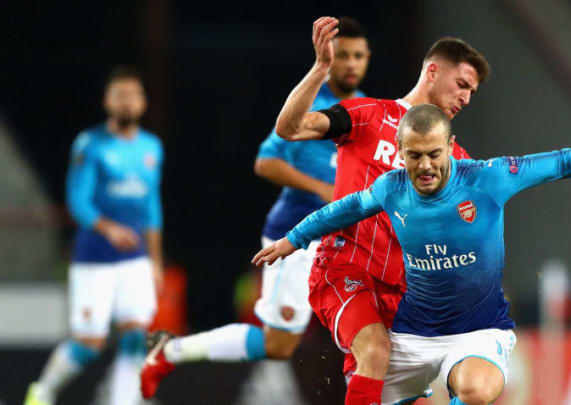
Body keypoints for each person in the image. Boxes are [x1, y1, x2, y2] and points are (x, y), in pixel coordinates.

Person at [253, 104, 571, 404]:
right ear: (400, 154)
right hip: (413, 335)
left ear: (451, 146)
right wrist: (295, 238)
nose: (425, 166)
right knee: (362, 384)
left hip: (478, 332)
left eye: (435, 154)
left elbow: (565, 161)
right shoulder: (391, 188)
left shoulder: (489, 179)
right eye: (414, 156)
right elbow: (345, 209)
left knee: (477, 388)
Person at [139, 17, 371, 399]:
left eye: (358, 55)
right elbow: (265, 162)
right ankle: (174, 350)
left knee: (375, 326)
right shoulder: (309, 107)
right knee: (279, 345)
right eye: (342, 54)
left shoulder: (368, 110)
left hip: (343, 239)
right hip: (294, 233)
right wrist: (321, 188)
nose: (350, 63)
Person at [269, 17, 486, 405]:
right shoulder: (369, 115)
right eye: (462, 85)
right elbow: (290, 127)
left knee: (404, 394)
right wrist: (320, 69)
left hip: (404, 297)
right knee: (375, 349)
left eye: (472, 91)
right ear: (433, 72)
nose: (467, 98)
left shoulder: (455, 158)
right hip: (344, 270)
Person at [24, 66, 164, 405]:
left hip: (136, 261)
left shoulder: (151, 147)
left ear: (143, 102)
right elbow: (77, 201)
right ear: (107, 101)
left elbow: (151, 207)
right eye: (120, 95)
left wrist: (156, 262)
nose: (127, 102)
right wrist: (109, 229)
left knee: (135, 336)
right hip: (94, 259)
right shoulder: (91, 144)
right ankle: (42, 391)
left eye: (133, 95)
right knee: (89, 343)